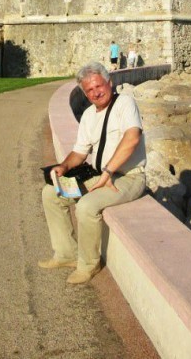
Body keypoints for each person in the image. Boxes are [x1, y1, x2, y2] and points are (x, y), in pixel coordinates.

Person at [39, 62, 147, 284]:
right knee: (51, 194)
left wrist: (109, 170)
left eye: (98, 86)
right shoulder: (89, 115)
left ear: (109, 83)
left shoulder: (125, 103)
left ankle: (89, 264)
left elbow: (132, 137)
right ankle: (66, 254)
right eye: (89, 90)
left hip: (128, 177)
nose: (95, 92)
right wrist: (63, 167)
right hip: (99, 176)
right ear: (85, 93)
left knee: (86, 206)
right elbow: (80, 152)